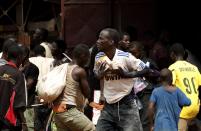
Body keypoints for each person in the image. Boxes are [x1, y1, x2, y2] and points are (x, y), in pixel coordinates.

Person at [94, 28, 144, 131]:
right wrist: (100, 74)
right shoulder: (99, 56)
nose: (97, 41)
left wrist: (126, 74)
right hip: (108, 105)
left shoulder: (125, 56)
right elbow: (96, 73)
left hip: (126, 103)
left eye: (100, 39)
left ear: (111, 42)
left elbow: (146, 69)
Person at [53, 44, 95, 131]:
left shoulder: (64, 67)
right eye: (88, 57)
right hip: (69, 110)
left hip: (58, 110)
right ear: (83, 56)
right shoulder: (79, 71)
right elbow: (87, 94)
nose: (88, 60)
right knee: (91, 129)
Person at [168, 43, 201, 131]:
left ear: (172, 54)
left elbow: (169, 88)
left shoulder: (172, 68)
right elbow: (199, 85)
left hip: (183, 108)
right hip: (195, 106)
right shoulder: (194, 68)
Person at [0, 44, 27, 131]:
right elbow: (19, 102)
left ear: (7, 56)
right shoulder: (18, 75)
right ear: (20, 57)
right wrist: (24, 123)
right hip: (9, 121)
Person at [19, 45, 39, 131]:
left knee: (28, 127)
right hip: (17, 106)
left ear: (25, 54)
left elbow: (27, 86)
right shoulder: (17, 67)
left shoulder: (33, 68)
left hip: (28, 105)